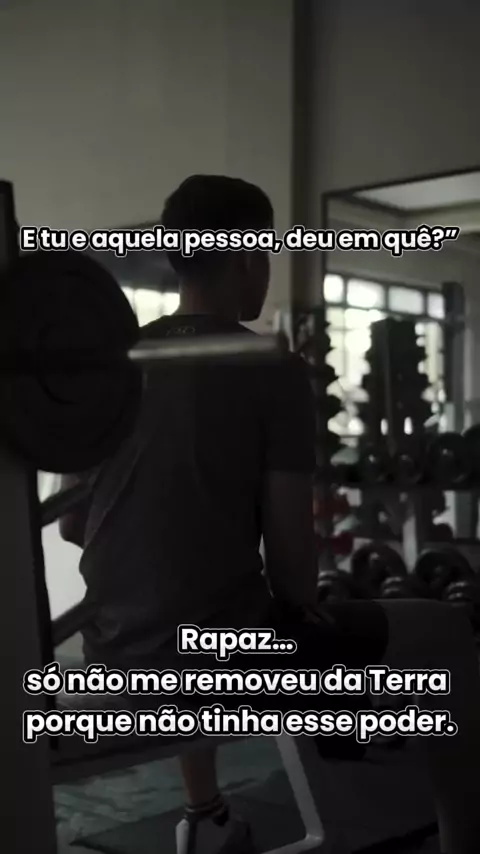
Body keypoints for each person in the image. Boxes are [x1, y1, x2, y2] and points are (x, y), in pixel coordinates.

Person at [60, 175, 480, 854]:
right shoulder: (271, 366)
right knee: (449, 631)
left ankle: (205, 818)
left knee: (189, 606)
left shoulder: (115, 361)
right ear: (248, 256)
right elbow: (292, 575)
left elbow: (73, 526)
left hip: (111, 653)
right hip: (220, 662)